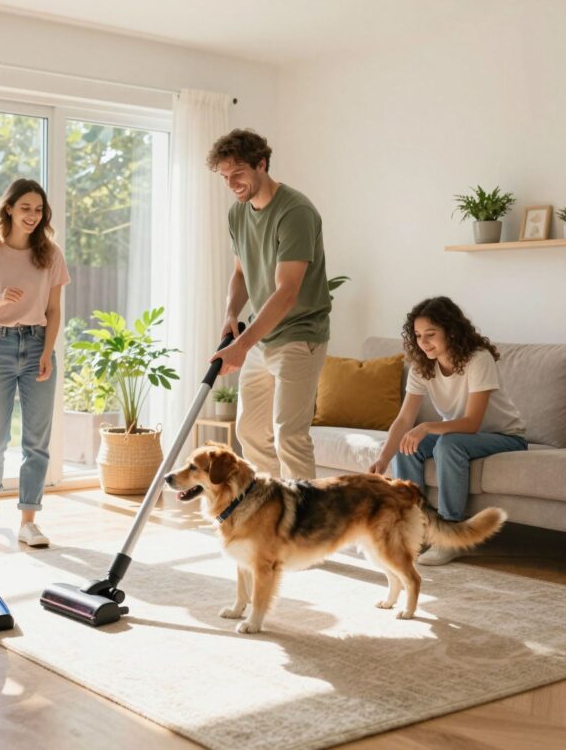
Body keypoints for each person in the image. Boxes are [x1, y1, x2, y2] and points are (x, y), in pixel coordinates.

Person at [207, 128, 331, 480]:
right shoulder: (239, 214)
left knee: (289, 435)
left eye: (238, 174)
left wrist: (241, 346)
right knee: (249, 431)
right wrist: (231, 312)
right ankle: (275, 510)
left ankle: (306, 526)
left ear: (261, 164)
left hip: (299, 333)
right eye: (225, 177)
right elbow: (241, 274)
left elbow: (287, 291)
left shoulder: (296, 212)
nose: (232, 183)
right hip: (262, 337)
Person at [369, 296, 528, 566]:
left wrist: (427, 426)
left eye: (431, 334)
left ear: (451, 331)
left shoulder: (479, 359)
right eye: (418, 336)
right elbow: (405, 418)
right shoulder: (423, 364)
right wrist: (383, 458)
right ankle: (412, 529)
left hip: (504, 436)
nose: (424, 342)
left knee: (448, 444)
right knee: (410, 445)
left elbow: (471, 423)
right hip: (457, 435)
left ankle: (450, 534)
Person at [0, 178, 70, 546]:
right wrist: (0, 300)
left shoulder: (51, 254)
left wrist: (46, 353)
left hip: (38, 346)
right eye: (25, 208)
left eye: (38, 209)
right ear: (9, 208)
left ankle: (28, 520)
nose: (32, 215)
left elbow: (55, 310)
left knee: (36, 441)